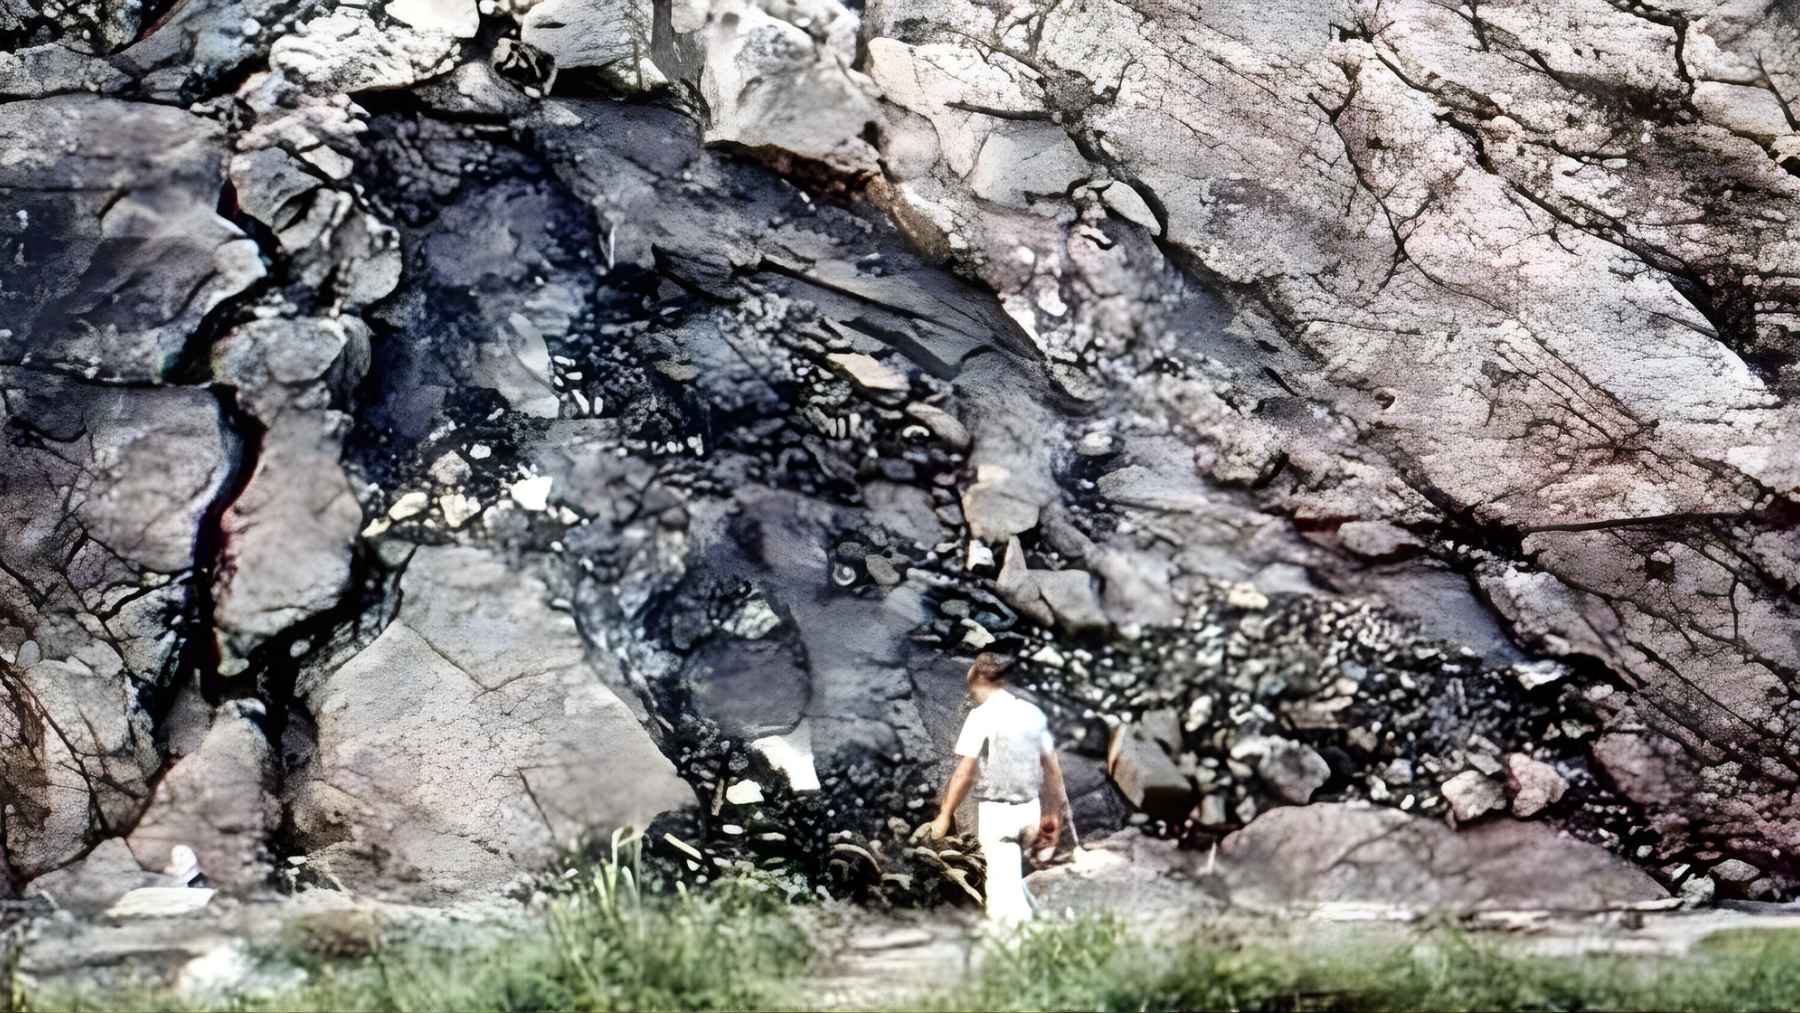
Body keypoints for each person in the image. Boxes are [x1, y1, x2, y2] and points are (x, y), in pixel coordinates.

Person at [928, 652, 1067, 927]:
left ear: (978, 680)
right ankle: (1039, 926)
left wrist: (944, 814)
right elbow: (1052, 769)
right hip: (1030, 810)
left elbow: (965, 773)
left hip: (998, 813)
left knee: (1001, 893)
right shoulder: (1032, 712)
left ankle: (1014, 948)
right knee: (1012, 879)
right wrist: (1053, 814)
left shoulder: (981, 716)